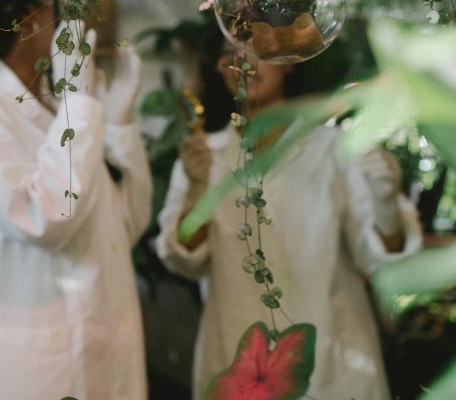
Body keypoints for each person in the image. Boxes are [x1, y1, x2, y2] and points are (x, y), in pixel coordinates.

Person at [0, 0, 152, 400]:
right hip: (23, 357)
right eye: (60, 6)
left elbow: (125, 226)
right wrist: (81, 109)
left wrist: (121, 128)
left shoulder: (58, 111)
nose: (73, 21)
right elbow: (44, 217)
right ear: (23, 20)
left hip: (99, 340)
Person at [156, 42, 421, 399]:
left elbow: (377, 258)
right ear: (220, 68)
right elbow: (184, 261)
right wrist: (196, 191)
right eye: (230, 53)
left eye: (256, 49)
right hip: (240, 363)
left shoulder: (333, 148)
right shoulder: (203, 156)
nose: (244, 63)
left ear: (288, 60)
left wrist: (385, 201)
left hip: (335, 362)